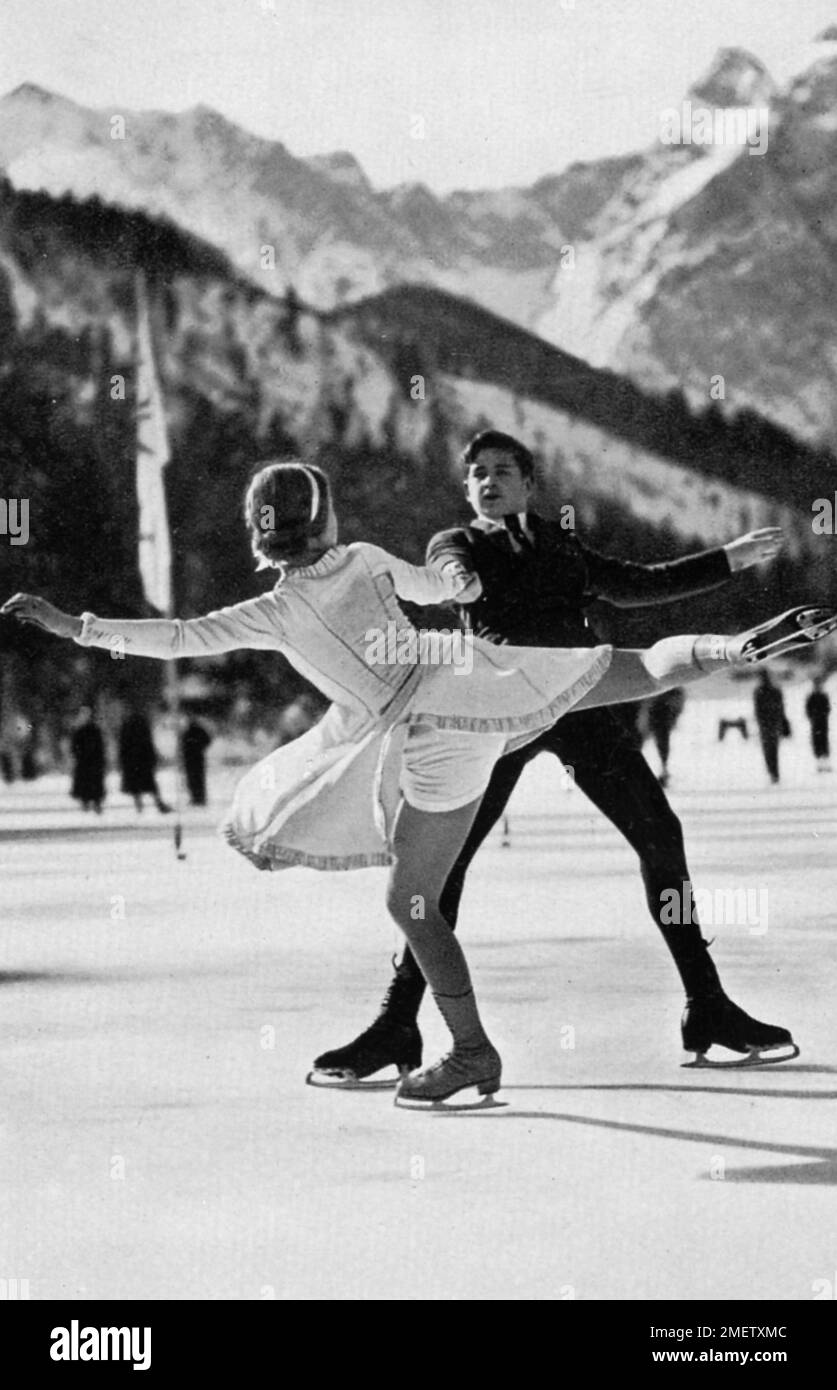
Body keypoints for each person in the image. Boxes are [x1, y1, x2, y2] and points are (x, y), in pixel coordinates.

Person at [3, 460, 833, 1102]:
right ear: (322, 518)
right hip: (467, 669)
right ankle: (736, 647)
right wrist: (461, 583)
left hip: (426, 737)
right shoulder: (362, 557)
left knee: (412, 902)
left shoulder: (271, 610)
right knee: (622, 668)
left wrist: (72, 626)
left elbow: (177, 637)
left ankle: (470, 1050)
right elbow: (438, 587)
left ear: (262, 534)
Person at [312, 431, 813, 1083]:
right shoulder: (457, 544)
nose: (486, 482)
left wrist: (728, 558)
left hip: (579, 704)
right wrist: (457, 584)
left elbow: (636, 585)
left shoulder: (559, 543)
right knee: (445, 864)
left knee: (660, 835)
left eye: (500, 471)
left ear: (528, 483)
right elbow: (448, 575)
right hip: (497, 711)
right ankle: (396, 1023)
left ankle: (708, 1005)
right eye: (476, 475)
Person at [119, 707, 171, 813]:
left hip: (132, 761)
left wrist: (122, 760)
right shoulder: (141, 724)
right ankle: (158, 804)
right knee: (149, 785)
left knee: (137, 786)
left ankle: (140, 805)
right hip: (142, 760)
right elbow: (148, 743)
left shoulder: (127, 725)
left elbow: (123, 746)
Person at [753, 668, 789, 784]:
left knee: (768, 750)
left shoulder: (759, 692)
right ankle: (774, 773)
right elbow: (781, 709)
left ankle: (772, 772)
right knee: (773, 749)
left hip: (766, 725)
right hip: (774, 724)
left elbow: (758, 711)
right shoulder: (775, 691)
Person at [69, 705, 105, 813]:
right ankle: (85, 802)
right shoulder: (78, 730)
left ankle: (96, 803)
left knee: (95, 783)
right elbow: (74, 746)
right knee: (85, 783)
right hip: (84, 762)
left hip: (93, 761)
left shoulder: (95, 730)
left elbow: (100, 746)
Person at [647, 687, 686, 787]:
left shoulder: (673, 691)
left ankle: (663, 772)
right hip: (657, 721)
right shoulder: (675, 691)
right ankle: (663, 771)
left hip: (659, 721)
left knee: (661, 746)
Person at [181, 718, 212, 806]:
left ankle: (199, 798)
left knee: (195, 779)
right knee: (196, 779)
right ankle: (197, 798)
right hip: (194, 758)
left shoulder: (189, 732)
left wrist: (200, 748)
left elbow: (207, 740)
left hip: (193, 758)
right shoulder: (190, 732)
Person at [805, 676, 831, 772]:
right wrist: (813, 717)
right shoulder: (812, 697)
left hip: (822, 723)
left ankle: (825, 763)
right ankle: (820, 764)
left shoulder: (822, 696)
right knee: (818, 743)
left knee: (824, 743)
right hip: (816, 723)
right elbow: (808, 710)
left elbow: (828, 709)